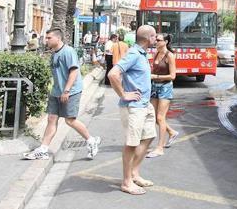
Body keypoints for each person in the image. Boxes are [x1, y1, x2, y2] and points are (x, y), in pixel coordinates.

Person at [23, 29, 101, 160]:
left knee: (70, 120)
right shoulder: (54, 53)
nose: (46, 40)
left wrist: (66, 91)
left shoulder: (68, 52)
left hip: (71, 91)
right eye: (46, 38)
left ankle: (91, 141)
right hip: (56, 91)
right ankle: (43, 149)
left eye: (49, 38)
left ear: (58, 39)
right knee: (51, 119)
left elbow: (74, 72)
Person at [108, 25, 157, 195]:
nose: (156, 39)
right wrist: (124, 94)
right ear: (148, 38)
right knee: (131, 143)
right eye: (154, 36)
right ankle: (127, 182)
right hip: (133, 107)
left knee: (149, 136)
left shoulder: (142, 54)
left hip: (144, 105)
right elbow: (113, 74)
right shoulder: (134, 54)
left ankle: (134, 173)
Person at [146, 33, 179, 158]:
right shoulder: (156, 53)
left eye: (158, 40)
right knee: (154, 117)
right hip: (154, 87)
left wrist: (156, 76)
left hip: (165, 87)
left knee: (160, 117)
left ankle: (160, 147)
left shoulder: (169, 56)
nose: (156, 42)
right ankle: (171, 132)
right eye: (155, 39)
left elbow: (173, 76)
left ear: (165, 42)